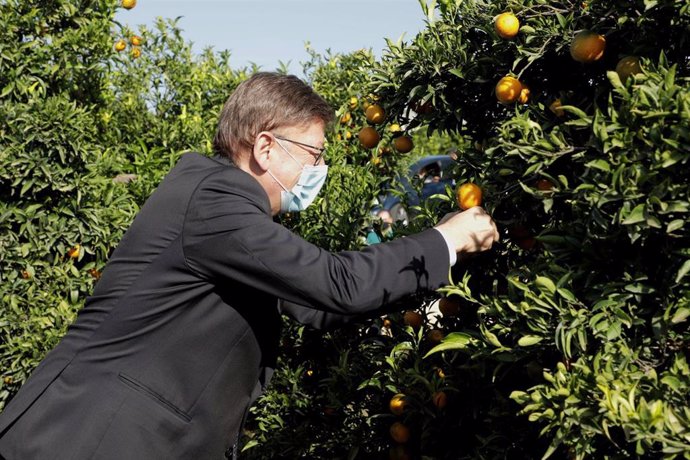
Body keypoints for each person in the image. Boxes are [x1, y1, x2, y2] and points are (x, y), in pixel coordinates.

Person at [0, 72, 498, 459]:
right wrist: (443, 239)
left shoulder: (230, 219)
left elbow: (320, 306)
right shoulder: (217, 198)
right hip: (92, 437)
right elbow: (336, 283)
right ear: (264, 147)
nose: (318, 171)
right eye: (313, 154)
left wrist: (447, 270)